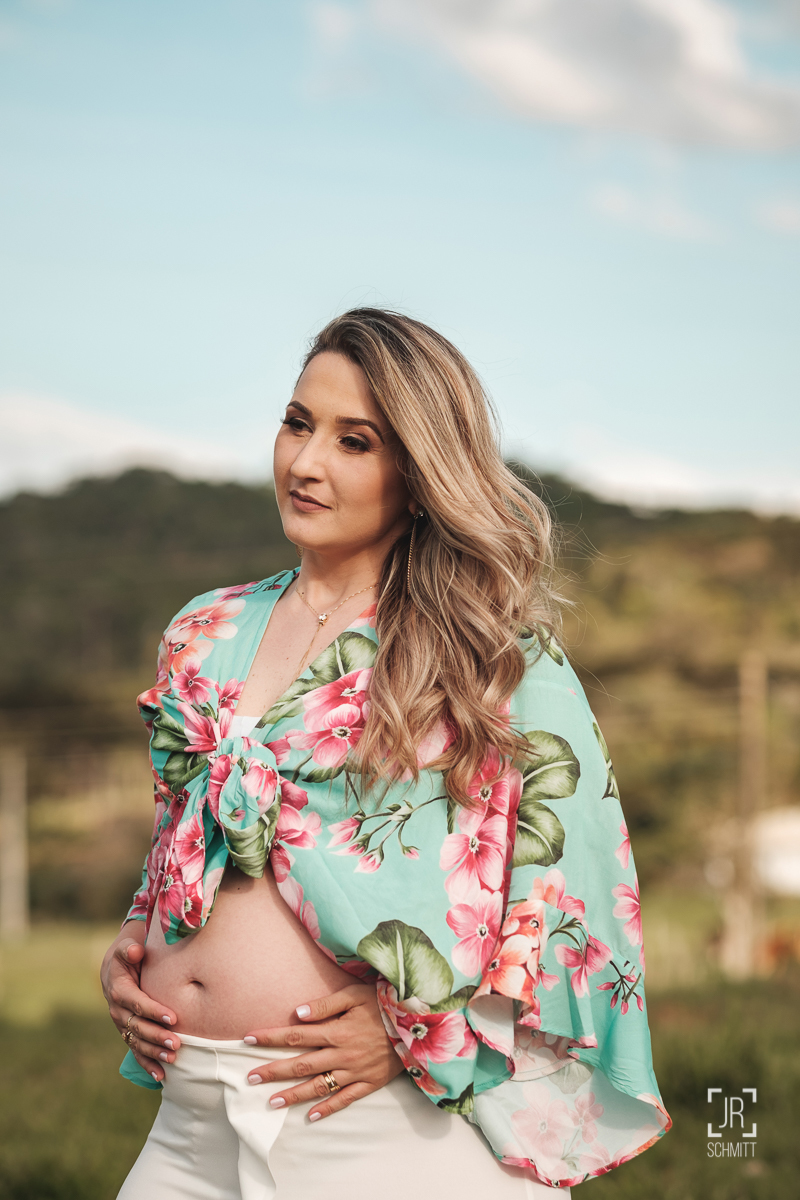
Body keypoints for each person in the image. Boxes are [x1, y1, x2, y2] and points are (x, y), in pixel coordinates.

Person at [101, 308, 671, 1199]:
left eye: (353, 441)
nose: (305, 462)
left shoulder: (494, 656)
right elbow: (181, 830)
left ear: (419, 472)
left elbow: (565, 890)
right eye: (297, 423)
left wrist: (433, 1027)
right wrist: (134, 939)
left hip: (378, 1127)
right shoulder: (203, 629)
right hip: (189, 1122)